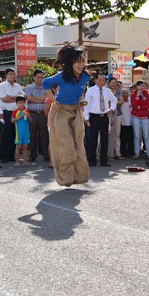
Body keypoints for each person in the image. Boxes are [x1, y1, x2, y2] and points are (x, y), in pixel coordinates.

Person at [41, 42, 91, 187]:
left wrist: (81, 100)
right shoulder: (62, 76)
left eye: (82, 61)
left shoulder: (85, 77)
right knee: (67, 145)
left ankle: (80, 176)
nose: (80, 65)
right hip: (61, 111)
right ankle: (65, 177)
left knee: (78, 145)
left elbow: (82, 90)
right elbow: (45, 83)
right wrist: (53, 100)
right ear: (70, 62)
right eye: (77, 62)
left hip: (76, 111)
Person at [84, 73, 117, 167]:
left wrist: (111, 109)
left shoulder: (107, 91)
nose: (102, 82)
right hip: (94, 117)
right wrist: (86, 118)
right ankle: (92, 160)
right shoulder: (90, 91)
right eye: (100, 80)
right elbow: (87, 105)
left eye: (103, 80)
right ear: (95, 80)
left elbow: (114, 101)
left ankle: (104, 160)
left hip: (105, 117)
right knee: (93, 139)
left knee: (104, 139)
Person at [0, 68, 25, 163]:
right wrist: (17, 98)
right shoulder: (2, 86)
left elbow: (23, 97)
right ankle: (3, 156)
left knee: (14, 134)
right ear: (6, 75)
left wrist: (11, 97)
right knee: (6, 134)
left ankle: (11, 155)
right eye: (10, 74)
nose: (13, 76)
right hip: (7, 112)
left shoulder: (17, 86)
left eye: (14, 74)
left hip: (17, 112)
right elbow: (4, 99)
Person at [25, 70, 49, 162]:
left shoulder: (46, 87)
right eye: (38, 77)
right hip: (32, 113)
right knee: (32, 135)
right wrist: (41, 100)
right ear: (34, 77)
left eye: (42, 77)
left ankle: (46, 154)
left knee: (44, 135)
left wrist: (34, 99)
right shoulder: (29, 87)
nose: (40, 79)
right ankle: (33, 155)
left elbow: (47, 99)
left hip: (43, 114)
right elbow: (29, 98)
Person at [130, 80, 149, 159]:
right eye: (140, 86)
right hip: (135, 116)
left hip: (144, 117)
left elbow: (148, 106)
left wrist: (139, 107)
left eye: (143, 86)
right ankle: (137, 153)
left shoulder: (147, 94)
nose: (141, 87)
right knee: (136, 135)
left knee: (146, 135)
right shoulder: (133, 95)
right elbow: (134, 105)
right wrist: (137, 96)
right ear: (137, 86)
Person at [11, 95, 32, 167]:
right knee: (18, 146)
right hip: (18, 132)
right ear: (16, 104)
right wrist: (21, 115)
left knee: (25, 146)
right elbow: (12, 120)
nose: (22, 104)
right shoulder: (15, 111)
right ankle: (17, 161)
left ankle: (25, 161)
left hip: (26, 132)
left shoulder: (27, 110)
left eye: (23, 103)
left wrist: (28, 115)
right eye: (20, 103)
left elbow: (31, 120)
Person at [107, 77, 123, 160]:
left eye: (115, 82)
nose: (113, 84)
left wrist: (112, 102)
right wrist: (115, 101)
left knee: (117, 135)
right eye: (112, 82)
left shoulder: (119, 92)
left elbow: (122, 101)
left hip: (118, 114)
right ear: (109, 83)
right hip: (108, 114)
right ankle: (109, 153)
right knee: (108, 135)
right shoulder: (106, 92)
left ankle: (117, 153)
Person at [44, 85, 58, 169]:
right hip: (52, 123)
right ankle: (52, 161)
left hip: (63, 123)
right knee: (52, 141)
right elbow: (46, 111)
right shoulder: (50, 98)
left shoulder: (65, 97)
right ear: (54, 89)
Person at [120, 88, 134, 157]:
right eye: (124, 93)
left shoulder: (131, 100)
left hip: (131, 122)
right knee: (123, 139)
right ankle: (123, 152)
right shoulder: (121, 101)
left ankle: (131, 152)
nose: (125, 94)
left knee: (130, 138)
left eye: (126, 93)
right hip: (123, 122)